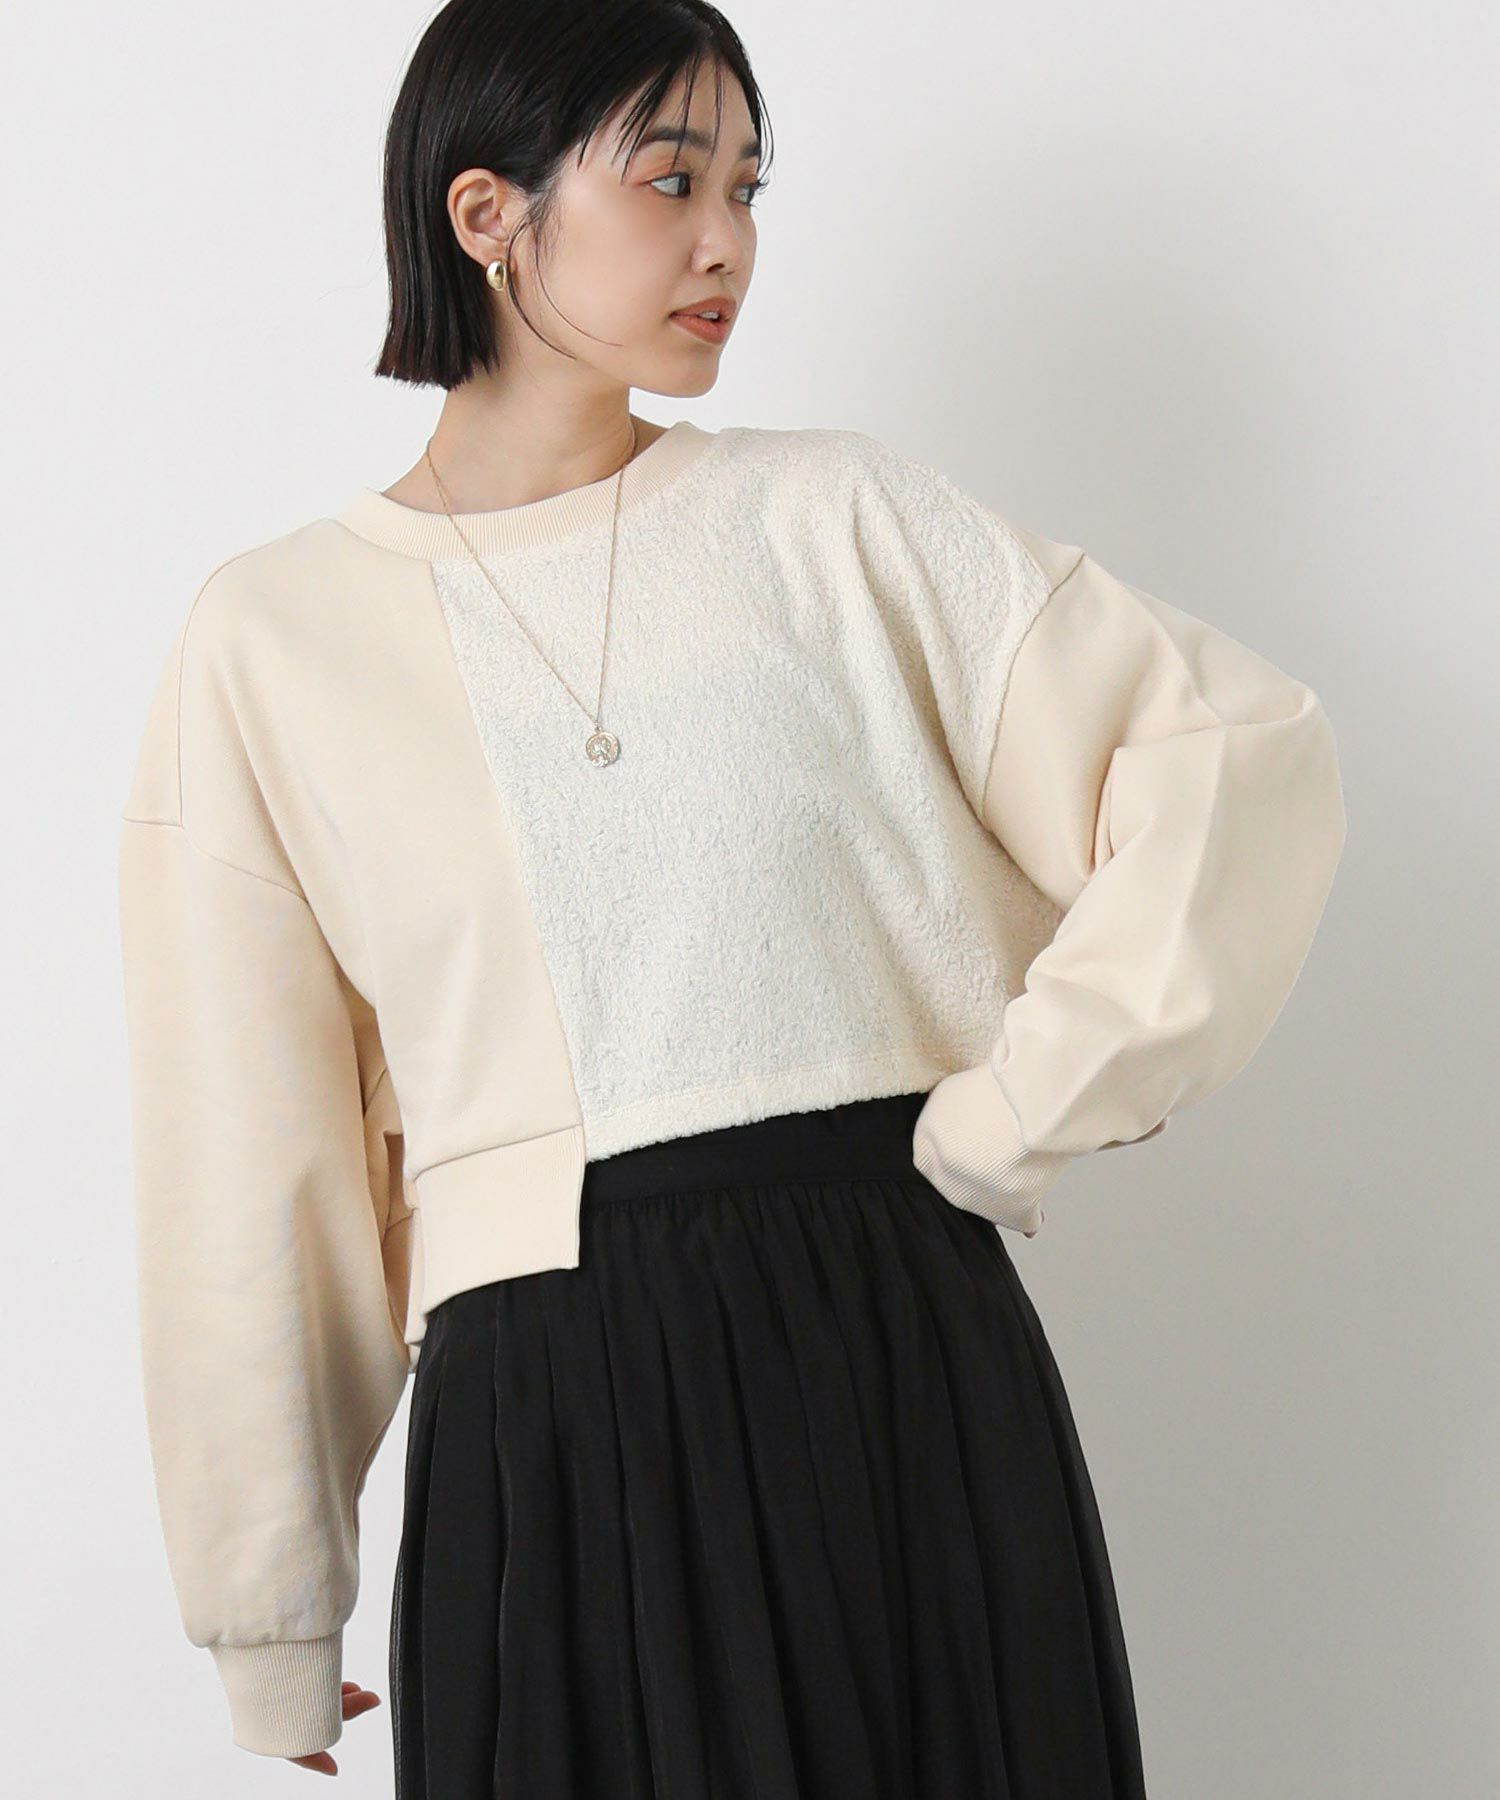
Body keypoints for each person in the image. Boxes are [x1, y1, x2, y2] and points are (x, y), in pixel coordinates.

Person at [114, 0, 1348, 1792]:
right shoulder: (275, 636)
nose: (727, 242)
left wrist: (1023, 1106)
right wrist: (270, 1612)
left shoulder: (833, 520)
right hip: (548, 1410)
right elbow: (245, 1150)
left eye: (750, 189)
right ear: (486, 213)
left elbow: (1233, 757)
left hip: (894, 1352)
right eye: (672, 179)